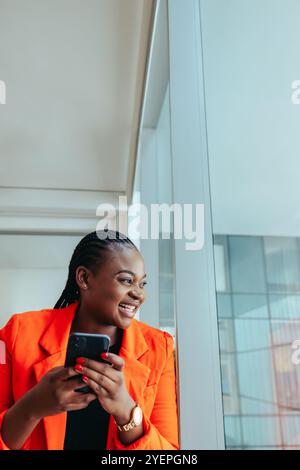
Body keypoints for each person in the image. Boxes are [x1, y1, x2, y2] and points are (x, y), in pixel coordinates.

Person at [0, 230, 179, 450]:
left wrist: (126, 412)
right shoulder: (15, 333)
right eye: (126, 280)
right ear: (84, 278)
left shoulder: (159, 348)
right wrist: (33, 406)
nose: (138, 294)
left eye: (142, 284)